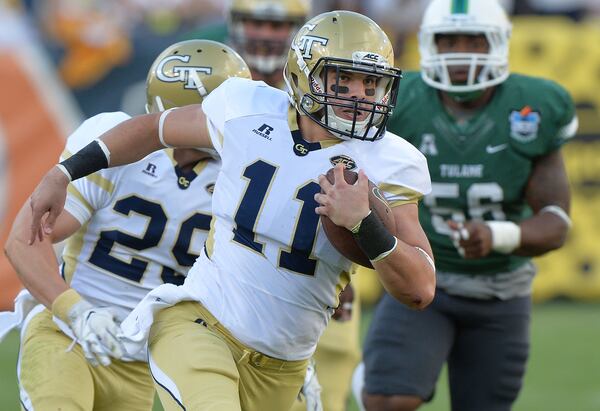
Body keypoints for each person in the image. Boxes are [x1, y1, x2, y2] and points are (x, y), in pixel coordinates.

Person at [26, 10, 436, 411]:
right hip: (199, 324)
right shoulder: (246, 108)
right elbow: (153, 129)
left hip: (284, 364)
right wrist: (65, 172)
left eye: (370, 83)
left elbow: (419, 289)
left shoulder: (393, 162)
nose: (359, 95)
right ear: (303, 73)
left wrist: (365, 225)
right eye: (342, 80)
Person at [3, 39, 251, 410]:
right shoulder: (116, 146)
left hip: (137, 357)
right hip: (67, 332)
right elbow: (25, 240)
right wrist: (77, 311)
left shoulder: (244, 174)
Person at [353, 1, 577, 411]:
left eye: (472, 39)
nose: (459, 51)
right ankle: (383, 373)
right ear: (427, 43)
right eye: (448, 39)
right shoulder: (399, 101)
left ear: (499, 43)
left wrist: (498, 235)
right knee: (389, 398)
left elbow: (556, 223)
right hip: (423, 277)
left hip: (501, 290)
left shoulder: (536, 103)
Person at [192, 2, 366, 409]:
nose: (266, 34)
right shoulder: (218, 80)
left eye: (278, 24)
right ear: (235, 24)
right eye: (254, 21)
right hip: (214, 257)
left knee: (328, 385)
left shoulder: (333, 98)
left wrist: (342, 274)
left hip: (304, 270)